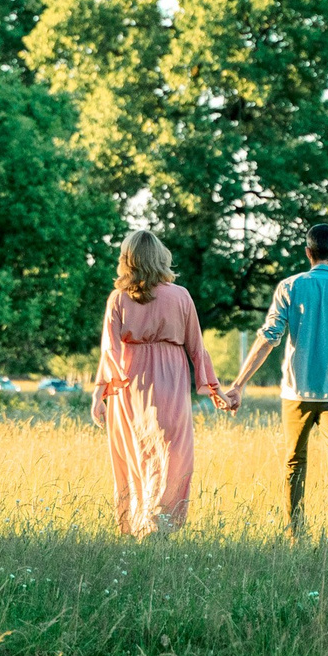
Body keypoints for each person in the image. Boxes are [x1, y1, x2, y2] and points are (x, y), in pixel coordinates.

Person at [220, 222, 328, 537]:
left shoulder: (289, 287)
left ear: (308, 252)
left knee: (295, 461)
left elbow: (269, 338)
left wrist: (239, 383)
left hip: (296, 392)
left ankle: (295, 531)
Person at [92, 230, 222, 536]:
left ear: (127, 260)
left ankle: (138, 522)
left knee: (134, 455)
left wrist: (100, 393)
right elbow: (196, 346)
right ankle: (159, 524)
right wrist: (213, 388)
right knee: (173, 455)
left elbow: (109, 349)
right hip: (171, 382)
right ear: (161, 257)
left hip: (129, 384)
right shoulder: (181, 296)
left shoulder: (119, 298)